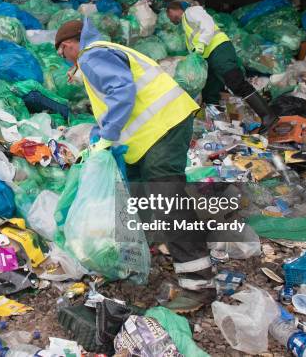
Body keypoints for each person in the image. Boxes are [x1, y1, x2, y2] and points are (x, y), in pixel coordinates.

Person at [55, 19, 217, 309]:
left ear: (68, 45)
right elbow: (114, 104)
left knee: (166, 200)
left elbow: (122, 91)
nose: (65, 59)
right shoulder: (101, 52)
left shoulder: (91, 55)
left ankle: (199, 284)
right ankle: (142, 254)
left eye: (62, 52)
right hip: (154, 132)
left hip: (162, 128)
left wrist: (108, 135)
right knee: (138, 194)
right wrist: (100, 136)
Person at [166, 1, 278, 133]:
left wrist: (201, 44)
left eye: (168, 14)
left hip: (218, 50)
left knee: (235, 82)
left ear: (174, 9)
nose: (169, 18)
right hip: (209, 57)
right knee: (210, 91)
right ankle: (217, 126)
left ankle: (268, 115)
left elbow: (207, 25)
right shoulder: (186, 23)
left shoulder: (191, 12)